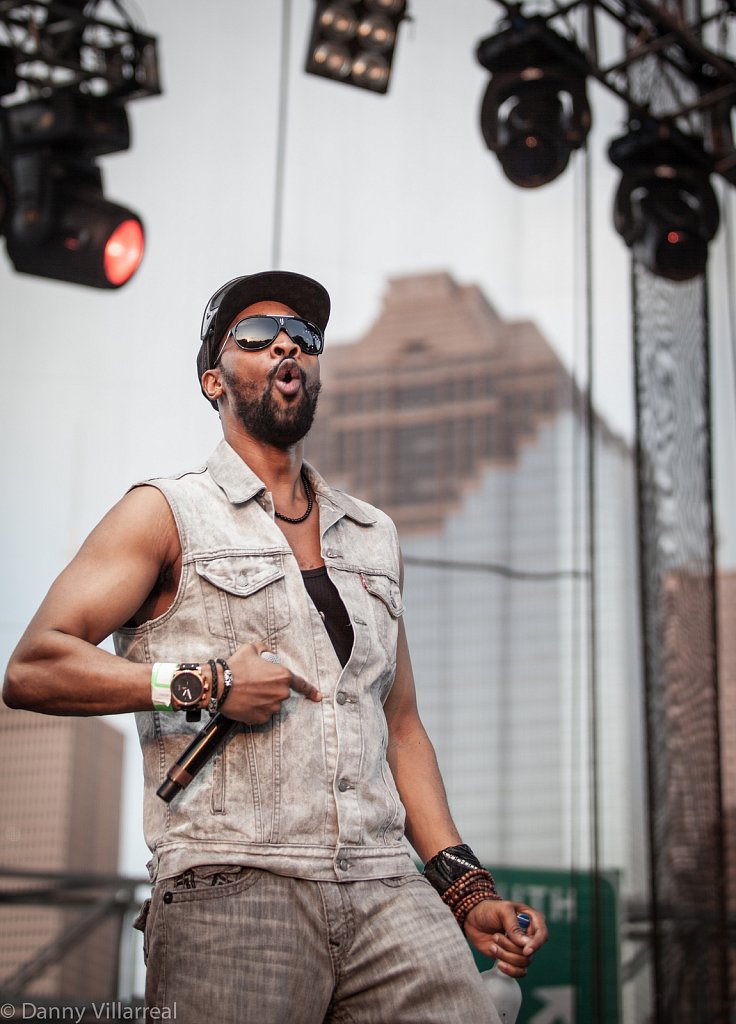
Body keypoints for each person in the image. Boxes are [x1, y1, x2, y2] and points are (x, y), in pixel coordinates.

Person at [4, 271, 548, 1024]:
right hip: (234, 883)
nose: (287, 342)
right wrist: (205, 683)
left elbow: (401, 726)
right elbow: (34, 665)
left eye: (304, 335)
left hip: (386, 883)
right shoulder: (165, 512)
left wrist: (466, 888)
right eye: (256, 335)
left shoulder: (373, 536)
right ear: (213, 380)